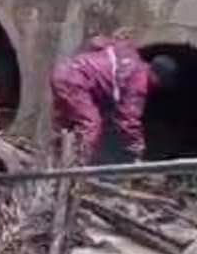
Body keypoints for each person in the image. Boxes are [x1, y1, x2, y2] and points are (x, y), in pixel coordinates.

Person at [50, 33, 177, 164]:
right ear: (157, 77)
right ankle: (79, 170)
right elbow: (128, 119)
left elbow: (96, 42)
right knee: (91, 124)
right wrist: (137, 148)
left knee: (66, 124)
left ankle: (54, 162)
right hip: (77, 80)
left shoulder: (129, 58)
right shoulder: (139, 80)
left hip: (65, 70)